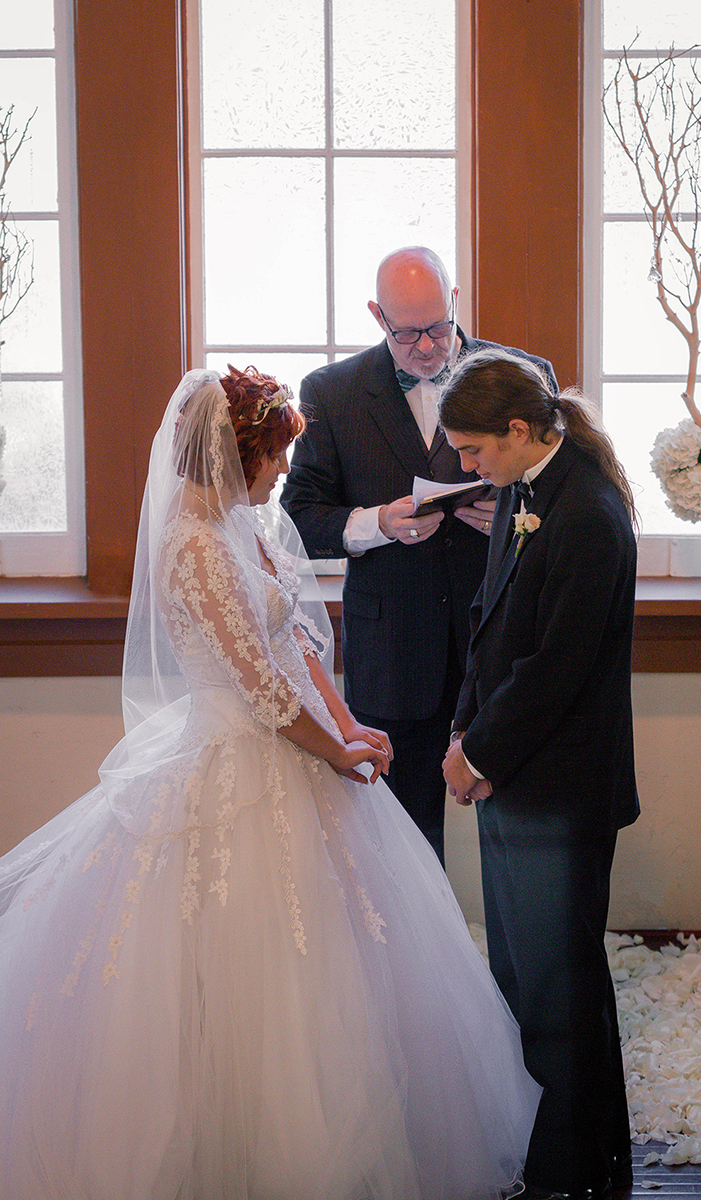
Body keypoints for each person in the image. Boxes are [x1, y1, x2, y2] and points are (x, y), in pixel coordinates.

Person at [0, 364, 541, 1200]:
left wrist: (348, 721)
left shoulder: (243, 524)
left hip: (296, 740)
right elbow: (257, 687)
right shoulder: (193, 548)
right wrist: (335, 752)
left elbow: (295, 644)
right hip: (237, 755)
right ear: (236, 455)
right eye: (276, 458)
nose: (285, 472)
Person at [282, 245, 557, 864]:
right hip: (394, 646)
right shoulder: (333, 391)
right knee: (401, 842)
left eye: (437, 327)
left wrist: (511, 520)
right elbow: (299, 514)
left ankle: (509, 956)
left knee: (516, 833)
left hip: (501, 641)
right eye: (408, 334)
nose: (428, 347)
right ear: (378, 316)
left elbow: (565, 503)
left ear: (455, 301)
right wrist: (376, 523)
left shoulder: (522, 375)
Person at [439, 351, 640, 1200]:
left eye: (475, 451)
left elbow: (560, 664)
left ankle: (571, 1168)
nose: (467, 469)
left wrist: (478, 753)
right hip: (512, 775)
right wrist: (463, 730)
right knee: (524, 975)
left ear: (520, 431)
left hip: (560, 789)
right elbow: (490, 630)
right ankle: (565, 1153)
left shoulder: (588, 511)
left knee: (559, 986)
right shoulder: (525, 492)